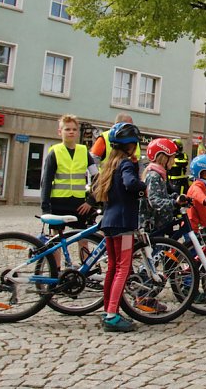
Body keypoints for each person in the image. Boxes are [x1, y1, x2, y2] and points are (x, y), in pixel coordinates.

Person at [92, 122, 146, 333]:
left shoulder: (110, 164)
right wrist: (145, 188)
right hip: (124, 223)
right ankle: (112, 316)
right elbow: (130, 184)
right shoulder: (126, 164)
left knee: (113, 268)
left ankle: (107, 309)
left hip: (109, 223)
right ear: (130, 145)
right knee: (123, 268)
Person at [40, 114, 99, 228]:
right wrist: (45, 209)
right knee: (56, 239)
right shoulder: (54, 152)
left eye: (74, 129)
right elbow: (46, 182)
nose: (71, 132)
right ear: (60, 132)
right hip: (57, 204)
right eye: (67, 129)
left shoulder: (84, 152)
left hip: (79, 205)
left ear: (77, 132)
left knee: (82, 239)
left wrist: (91, 201)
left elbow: (97, 177)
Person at [141, 138, 185, 237]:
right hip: (153, 226)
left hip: (159, 224)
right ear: (164, 158)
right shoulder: (154, 176)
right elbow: (154, 201)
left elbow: (161, 196)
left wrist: (175, 197)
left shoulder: (160, 175)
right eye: (172, 158)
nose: (174, 162)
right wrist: (174, 203)